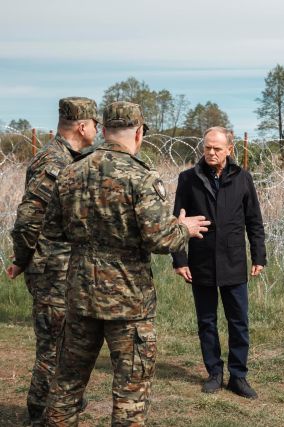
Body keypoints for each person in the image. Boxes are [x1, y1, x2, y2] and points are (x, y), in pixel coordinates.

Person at [41, 101, 210, 426]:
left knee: (65, 388)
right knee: (130, 395)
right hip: (128, 303)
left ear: (104, 131)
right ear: (139, 133)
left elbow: (51, 230)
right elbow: (160, 239)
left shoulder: (71, 172)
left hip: (81, 297)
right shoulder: (140, 176)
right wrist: (184, 229)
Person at [6, 97, 100, 425]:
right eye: (96, 124)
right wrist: (24, 257)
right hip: (51, 270)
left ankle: (58, 406)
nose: (98, 131)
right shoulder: (54, 161)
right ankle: (40, 413)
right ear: (82, 126)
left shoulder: (70, 157)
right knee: (53, 347)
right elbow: (28, 219)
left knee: (64, 343)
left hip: (63, 268)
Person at [172, 126, 266, 399]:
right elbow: (177, 221)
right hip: (201, 261)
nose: (211, 152)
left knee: (239, 321)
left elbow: (254, 221)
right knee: (207, 320)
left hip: (234, 260)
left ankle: (238, 376)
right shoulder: (188, 179)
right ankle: (214, 373)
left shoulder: (242, 178)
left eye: (217, 148)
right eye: (207, 147)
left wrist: (258, 255)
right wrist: (180, 258)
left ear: (229, 149)